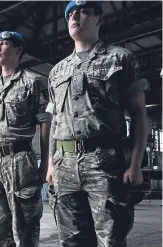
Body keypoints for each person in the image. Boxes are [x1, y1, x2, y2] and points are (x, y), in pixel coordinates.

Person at [46, 1, 149, 246]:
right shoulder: (57, 72)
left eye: (82, 11)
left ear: (98, 19)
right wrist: (50, 163)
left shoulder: (121, 58)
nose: (74, 16)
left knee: (110, 238)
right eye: (70, 13)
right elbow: (54, 122)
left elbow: (139, 115)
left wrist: (135, 164)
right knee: (71, 240)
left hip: (105, 162)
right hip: (64, 165)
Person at [0, 31, 52, 247]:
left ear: (18, 50)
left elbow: (46, 124)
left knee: (25, 225)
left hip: (20, 161)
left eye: (4, 44)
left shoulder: (35, 82)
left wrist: (45, 164)